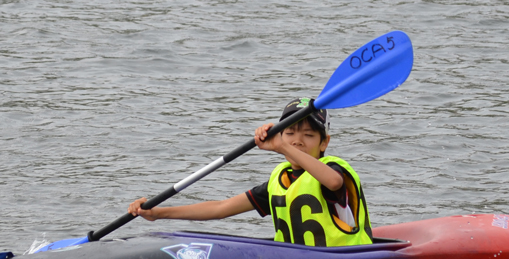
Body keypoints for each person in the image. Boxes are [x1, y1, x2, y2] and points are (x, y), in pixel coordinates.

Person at [127, 98, 373, 247]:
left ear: (324, 143)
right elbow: (220, 208)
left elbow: (332, 182)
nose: (298, 141)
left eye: (308, 135)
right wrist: (158, 213)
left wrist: (282, 145)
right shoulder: (280, 180)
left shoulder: (333, 169)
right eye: (289, 133)